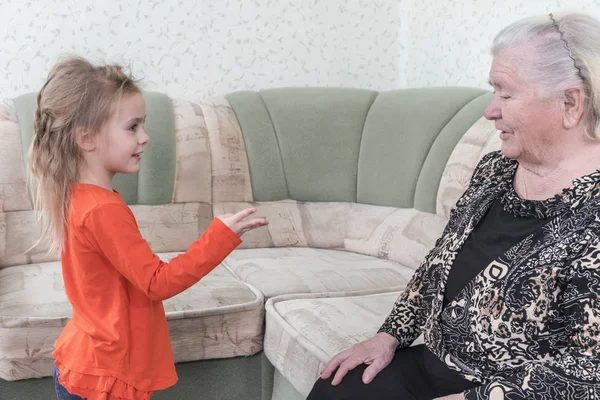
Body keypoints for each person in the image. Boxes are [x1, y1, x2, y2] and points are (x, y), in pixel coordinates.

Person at [308, 11, 600, 400]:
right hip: (438, 364)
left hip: (511, 392)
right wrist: (389, 334)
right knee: (337, 387)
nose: (490, 109)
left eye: (506, 93)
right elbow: (438, 262)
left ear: (570, 103)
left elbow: (589, 370)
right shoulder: (496, 170)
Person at [28, 57, 268, 400]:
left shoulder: (79, 196)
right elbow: (157, 282)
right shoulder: (102, 209)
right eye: (132, 127)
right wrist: (220, 236)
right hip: (105, 372)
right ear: (86, 137)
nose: (145, 137)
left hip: (86, 360)